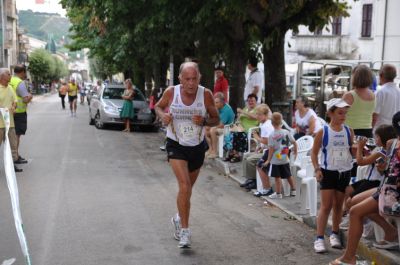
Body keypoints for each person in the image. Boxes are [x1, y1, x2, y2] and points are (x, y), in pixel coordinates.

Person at [154, 62, 219, 248]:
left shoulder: (205, 94)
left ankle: (177, 218)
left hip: (197, 146)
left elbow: (217, 119)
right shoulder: (171, 92)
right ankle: (185, 231)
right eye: (187, 79)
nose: (191, 83)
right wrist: (163, 116)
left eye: (195, 78)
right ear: (180, 79)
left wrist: (205, 120)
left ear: (200, 78)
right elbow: (158, 107)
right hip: (176, 144)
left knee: (187, 190)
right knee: (184, 185)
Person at [330, 111, 400, 265]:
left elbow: (362, 161)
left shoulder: (391, 143)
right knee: (355, 203)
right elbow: (387, 168)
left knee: (355, 211)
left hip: (393, 193)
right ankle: (390, 232)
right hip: (386, 188)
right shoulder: (391, 144)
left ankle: (349, 258)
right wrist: (383, 167)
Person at [311, 98, 354, 253]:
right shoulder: (323, 131)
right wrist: (317, 169)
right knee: (326, 205)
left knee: (338, 206)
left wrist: (360, 149)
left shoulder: (349, 131)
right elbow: (314, 152)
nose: (343, 116)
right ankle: (319, 238)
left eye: (345, 113)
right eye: (340, 113)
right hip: (328, 172)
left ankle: (334, 234)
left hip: (344, 172)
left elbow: (352, 151)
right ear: (330, 113)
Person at [339, 124, 396, 230]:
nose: (375, 139)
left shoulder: (381, 153)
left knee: (351, 201)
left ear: (383, 138)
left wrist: (360, 146)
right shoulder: (380, 150)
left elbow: (360, 162)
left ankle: (352, 217)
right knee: (348, 190)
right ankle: (347, 214)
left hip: (373, 182)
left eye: (377, 137)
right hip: (368, 180)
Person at [240, 104, 274, 195]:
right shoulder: (263, 123)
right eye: (257, 114)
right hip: (265, 149)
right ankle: (249, 178)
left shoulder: (267, 125)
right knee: (246, 156)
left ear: (265, 115)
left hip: (270, 152)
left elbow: (268, 142)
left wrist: (257, 137)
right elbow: (264, 142)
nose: (257, 116)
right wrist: (260, 146)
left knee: (251, 160)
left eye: (259, 114)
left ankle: (254, 181)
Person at [262, 112, 297, 199]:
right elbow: (294, 142)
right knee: (288, 175)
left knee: (277, 177)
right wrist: (296, 151)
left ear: (272, 123)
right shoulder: (286, 132)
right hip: (285, 157)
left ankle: (278, 193)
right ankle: (293, 190)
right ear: (281, 122)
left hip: (275, 160)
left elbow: (271, 149)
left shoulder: (271, 135)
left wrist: (268, 160)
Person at [343, 65, 375, 138]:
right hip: (368, 131)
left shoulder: (350, 95)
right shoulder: (373, 95)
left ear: (355, 78)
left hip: (351, 131)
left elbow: (339, 114)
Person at [0, 68, 22, 172]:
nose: (10, 76)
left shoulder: (10, 88)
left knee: (12, 146)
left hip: (10, 124)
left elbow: (15, 100)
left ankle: (11, 166)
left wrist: (14, 106)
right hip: (0, 125)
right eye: (8, 74)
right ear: (2, 77)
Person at [10, 65, 32, 165]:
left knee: (11, 136)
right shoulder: (20, 83)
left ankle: (15, 155)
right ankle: (15, 157)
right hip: (19, 113)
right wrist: (30, 97)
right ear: (22, 72)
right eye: (25, 72)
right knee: (16, 136)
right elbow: (25, 99)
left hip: (9, 112)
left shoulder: (9, 80)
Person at [227, 93, 259, 162]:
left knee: (238, 134)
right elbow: (239, 119)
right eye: (249, 101)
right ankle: (232, 152)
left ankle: (237, 155)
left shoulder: (258, 109)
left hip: (251, 130)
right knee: (229, 132)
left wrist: (242, 112)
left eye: (252, 101)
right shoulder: (246, 109)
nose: (250, 102)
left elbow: (254, 117)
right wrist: (239, 117)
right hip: (242, 128)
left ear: (256, 101)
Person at [204, 92, 234, 158]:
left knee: (212, 130)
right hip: (221, 127)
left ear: (222, 102)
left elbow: (221, 125)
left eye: (217, 102)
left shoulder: (226, 110)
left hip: (228, 129)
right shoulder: (218, 108)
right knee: (205, 129)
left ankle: (215, 152)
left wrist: (210, 126)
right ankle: (210, 149)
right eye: (214, 102)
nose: (215, 104)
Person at [373, 64, 400, 132]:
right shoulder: (398, 91)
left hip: (381, 130)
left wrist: (371, 128)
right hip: (395, 129)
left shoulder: (380, 91)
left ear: (381, 75)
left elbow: (375, 114)